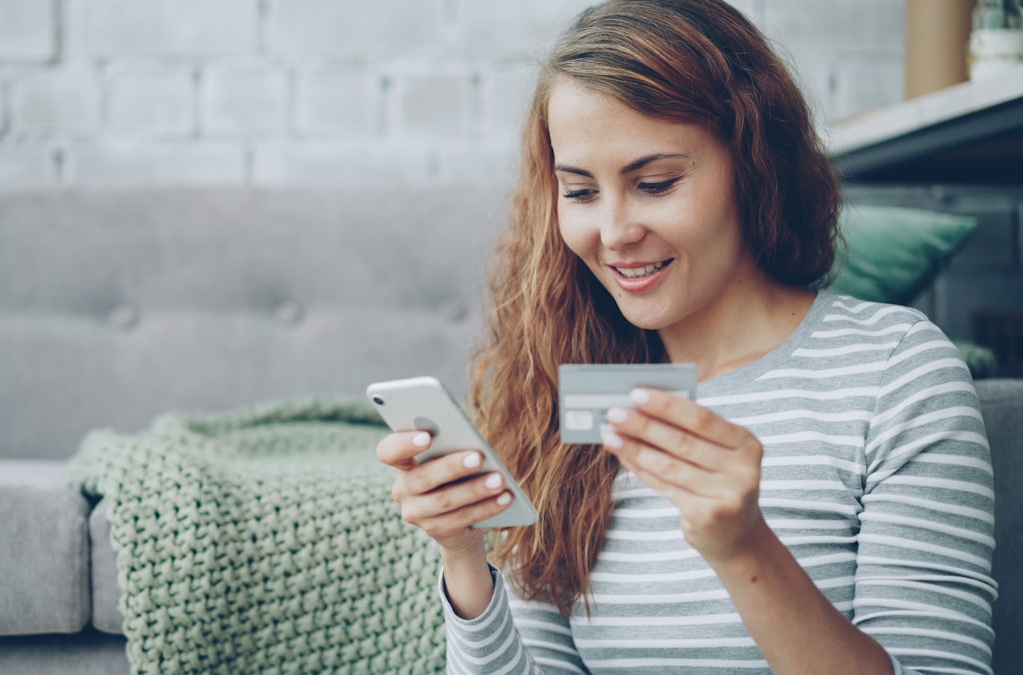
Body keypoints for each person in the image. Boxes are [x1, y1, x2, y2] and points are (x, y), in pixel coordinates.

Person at [375, 0, 998, 672]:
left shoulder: (896, 372)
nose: (613, 232)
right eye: (580, 192)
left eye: (655, 182)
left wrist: (744, 545)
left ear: (753, 162)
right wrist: (465, 557)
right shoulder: (566, 383)